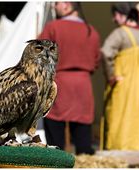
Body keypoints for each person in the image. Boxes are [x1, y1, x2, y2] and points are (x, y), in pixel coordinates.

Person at [38, 2, 101, 155]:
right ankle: (84, 162)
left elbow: (38, 55)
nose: (54, 7)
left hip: (59, 83)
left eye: (57, 3)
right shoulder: (91, 31)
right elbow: (96, 60)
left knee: (55, 133)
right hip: (83, 84)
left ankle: (57, 162)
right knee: (82, 135)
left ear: (67, 4)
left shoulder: (53, 27)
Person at [101, 5, 139, 150]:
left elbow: (106, 52)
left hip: (125, 86)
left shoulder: (120, 34)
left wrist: (111, 76)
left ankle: (120, 150)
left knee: (122, 119)